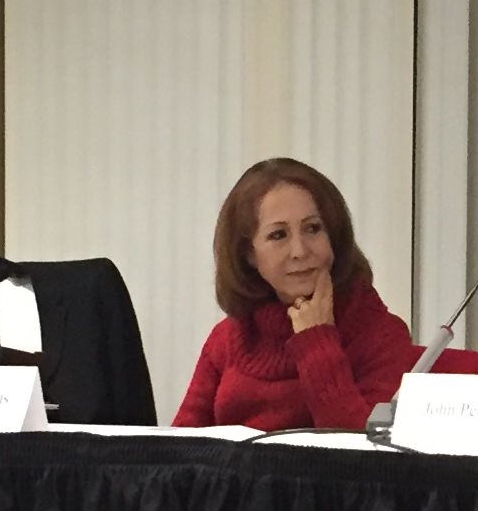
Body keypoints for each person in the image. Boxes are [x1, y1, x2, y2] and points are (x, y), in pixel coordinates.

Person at [172, 159, 420, 430]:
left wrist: (316, 340)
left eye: (313, 228)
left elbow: (358, 449)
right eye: (278, 235)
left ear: (334, 238)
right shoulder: (227, 339)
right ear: (249, 254)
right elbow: (177, 445)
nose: (300, 251)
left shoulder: (382, 335)